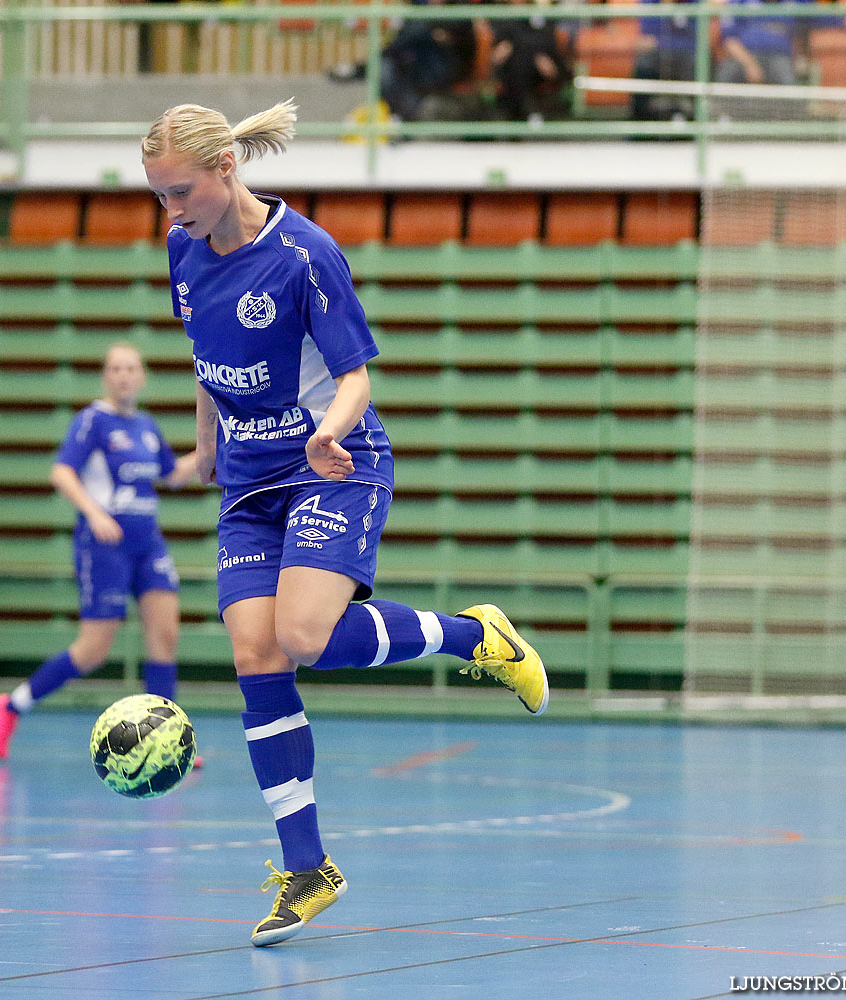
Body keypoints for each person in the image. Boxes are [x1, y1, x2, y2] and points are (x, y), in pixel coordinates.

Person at [140, 99, 549, 948]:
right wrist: (204, 443)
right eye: (158, 196)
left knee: (304, 635)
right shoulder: (183, 247)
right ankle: (306, 869)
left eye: (180, 191)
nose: (169, 211)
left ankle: (474, 637)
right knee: (255, 651)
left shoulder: (305, 254)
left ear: (226, 169)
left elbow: (356, 376)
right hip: (249, 482)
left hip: (334, 461)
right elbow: (202, 357)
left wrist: (327, 430)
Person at [0, 342, 200, 760]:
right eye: (115, 368)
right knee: (93, 650)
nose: (123, 375)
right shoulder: (92, 421)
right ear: (106, 376)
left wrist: (217, 448)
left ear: (142, 377)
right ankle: (12, 705)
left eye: (131, 368)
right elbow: (61, 471)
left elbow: (172, 474)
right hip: (104, 546)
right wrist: (94, 512)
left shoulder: (145, 426)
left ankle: (167, 741)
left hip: (147, 543)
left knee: (166, 635)